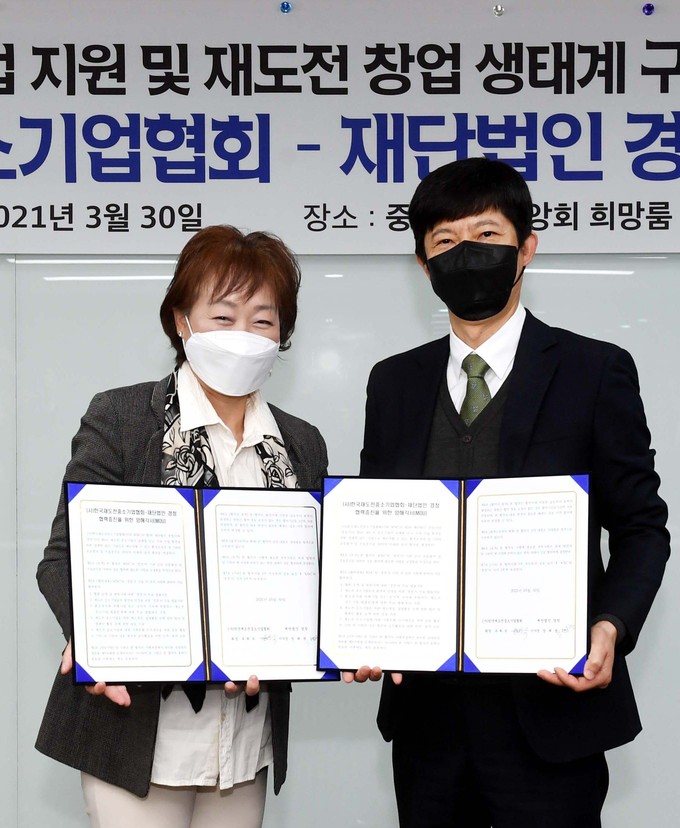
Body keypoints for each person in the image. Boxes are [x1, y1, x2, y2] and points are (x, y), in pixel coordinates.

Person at [345, 157, 670, 827]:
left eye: (487, 235)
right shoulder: (394, 383)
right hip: (427, 720)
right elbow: (375, 530)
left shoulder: (594, 370)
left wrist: (610, 625)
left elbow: (642, 525)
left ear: (526, 248)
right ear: (423, 265)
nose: (467, 253)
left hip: (551, 715)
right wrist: (360, 624)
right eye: (445, 241)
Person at [35, 225, 328, 828]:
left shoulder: (301, 443)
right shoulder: (122, 417)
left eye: (263, 320)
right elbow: (62, 560)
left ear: (283, 334)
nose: (243, 334)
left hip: (244, 742)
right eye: (223, 316)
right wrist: (94, 635)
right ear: (181, 321)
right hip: (137, 737)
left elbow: (315, 577)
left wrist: (351, 637)